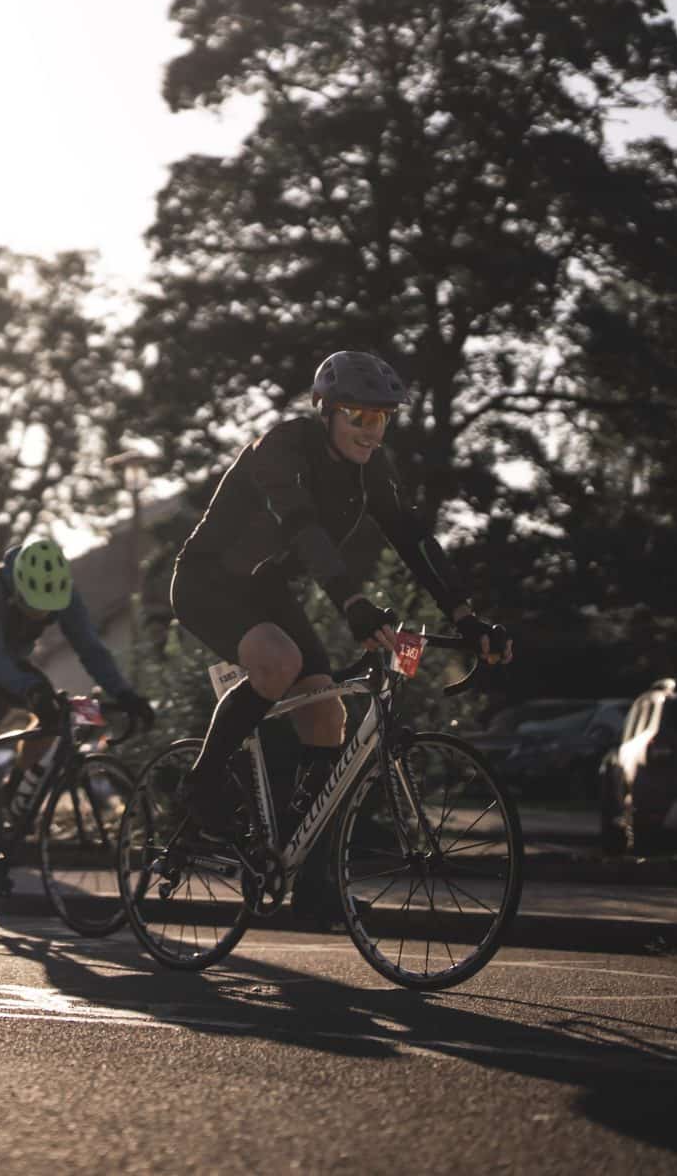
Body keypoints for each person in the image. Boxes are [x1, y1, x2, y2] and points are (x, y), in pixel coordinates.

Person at [170, 350, 512, 925]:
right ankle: (200, 787)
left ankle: (313, 878)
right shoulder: (280, 449)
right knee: (276, 664)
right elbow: (302, 527)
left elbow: (412, 536)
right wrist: (352, 603)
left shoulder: (369, 469)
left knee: (329, 719)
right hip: (207, 581)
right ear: (325, 411)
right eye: (357, 416)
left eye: (380, 419)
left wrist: (466, 615)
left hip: (267, 589)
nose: (369, 430)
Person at [0, 536, 154, 888]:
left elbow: (89, 648)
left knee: (54, 719)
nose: (40, 616)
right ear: (17, 587)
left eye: (46, 611)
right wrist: (28, 689)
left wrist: (124, 694)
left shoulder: (62, 591)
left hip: (9, 663)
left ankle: (12, 793)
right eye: (32, 608)